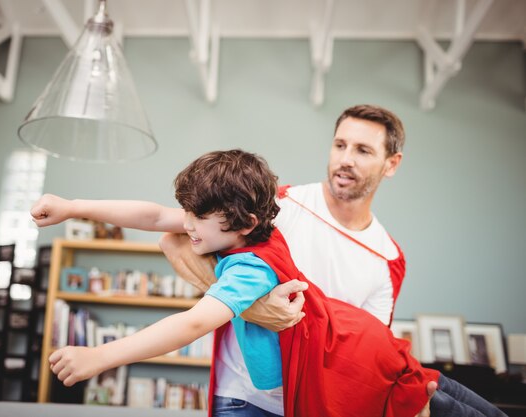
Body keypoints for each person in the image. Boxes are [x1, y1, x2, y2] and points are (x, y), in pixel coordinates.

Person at [32, 150, 506, 417]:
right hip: (360, 340)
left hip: (351, 356)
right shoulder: (241, 227)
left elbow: (193, 325)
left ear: (245, 221)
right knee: (444, 396)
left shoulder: (248, 269)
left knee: (439, 404)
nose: (187, 226)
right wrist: (74, 206)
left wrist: (102, 354)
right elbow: (154, 215)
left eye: (199, 218)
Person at [158, 104, 437, 416]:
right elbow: (176, 242)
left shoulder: (388, 260)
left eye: (363, 150)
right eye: (340, 145)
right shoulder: (279, 204)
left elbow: (363, 356)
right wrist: (252, 307)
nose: (345, 160)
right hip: (242, 398)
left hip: (312, 407)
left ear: (391, 163)